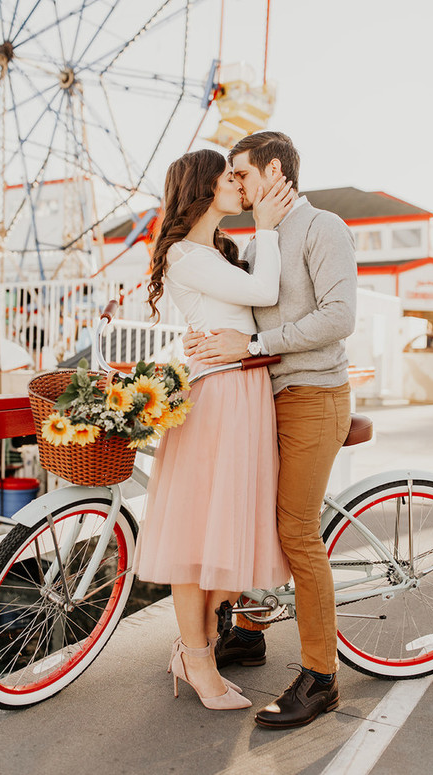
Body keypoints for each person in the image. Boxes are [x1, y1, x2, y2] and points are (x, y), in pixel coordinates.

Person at [184, 131, 357, 729]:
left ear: (273, 170)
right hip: (266, 398)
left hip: (312, 394)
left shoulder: (323, 227)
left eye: (241, 172)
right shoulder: (262, 238)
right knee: (255, 515)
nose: (234, 182)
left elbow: (338, 318)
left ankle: (321, 678)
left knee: (296, 532)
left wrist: (253, 344)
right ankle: (251, 634)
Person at [133, 148, 296, 711]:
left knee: (222, 543)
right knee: (197, 538)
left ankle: (192, 649)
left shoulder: (215, 252)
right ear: (202, 186)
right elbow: (264, 294)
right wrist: (269, 230)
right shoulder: (184, 254)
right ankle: (198, 663)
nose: (238, 183)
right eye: (229, 177)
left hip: (240, 391)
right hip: (220, 396)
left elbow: (246, 313)